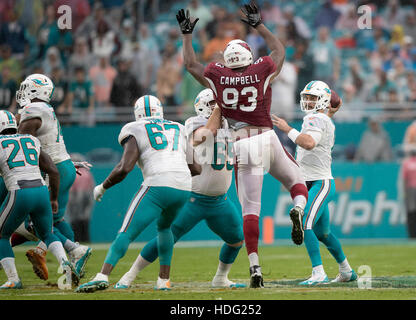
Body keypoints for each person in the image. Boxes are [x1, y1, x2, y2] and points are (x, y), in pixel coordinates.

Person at [177, 1, 308, 288]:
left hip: (242, 143)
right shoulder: (261, 69)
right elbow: (280, 51)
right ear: (248, 55)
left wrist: (187, 35)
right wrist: (258, 24)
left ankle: (255, 268)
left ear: (227, 60)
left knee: (251, 210)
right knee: (297, 180)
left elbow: (190, 65)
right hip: (267, 136)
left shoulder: (218, 75)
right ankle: (298, 207)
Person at [114, 89, 245, 289]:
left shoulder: (229, 125)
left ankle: (221, 277)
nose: (216, 108)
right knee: (165, 239)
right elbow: (205, 134)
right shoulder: (194, 123)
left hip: (220, 200)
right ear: (201, 106)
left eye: (216, 104)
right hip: (193, 198)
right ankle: (129, 275)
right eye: (211, 104)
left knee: (236, 239)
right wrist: (219, 108)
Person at [76, 95, 201, 292]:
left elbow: (125, 167)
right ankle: (163, 280)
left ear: (137, 113)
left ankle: (103, 275)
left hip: (158, 183)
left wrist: (102, 187)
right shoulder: (178, 127)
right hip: (184, 186)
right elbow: (197, 168)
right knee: (165, 228)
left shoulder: (133, 128)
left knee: (127, 231)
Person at [272, 80, 357, 285]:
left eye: (313, 98)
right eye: (307, 97)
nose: (308, 101)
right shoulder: (320, 118)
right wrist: (329, 112)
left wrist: (286, 129)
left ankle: (319, 272)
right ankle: (346, 271)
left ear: (323, 101)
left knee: (305, 223)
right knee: (324, 233)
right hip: (312, 181)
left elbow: (309, 143)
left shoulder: (316, 118)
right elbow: (320, 126)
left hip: (319, 182)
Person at [15, 73, 92, 282]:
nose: (22, 92)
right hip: (62, 166)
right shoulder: (45, 109)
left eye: (26, 87)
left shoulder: (33, 110)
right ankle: (71, 256)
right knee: (56, 220)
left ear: (35, 90)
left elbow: (20, 143)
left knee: (37, 223)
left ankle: (74, 250)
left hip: (53, 171)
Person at [0, 110, 78, 289]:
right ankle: (66, 264)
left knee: (2, 235)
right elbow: (53, 170)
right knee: (48, 234)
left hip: (20, 192)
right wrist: (54, 199)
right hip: (42, 191)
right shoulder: (31, 140)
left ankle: (13, 279)